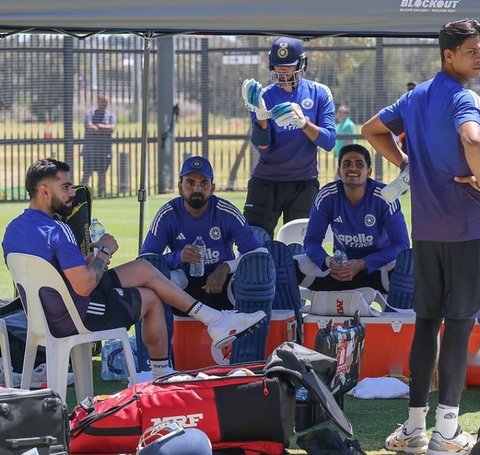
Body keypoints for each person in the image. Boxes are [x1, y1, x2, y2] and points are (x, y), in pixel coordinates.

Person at [2, 158, 266, 379]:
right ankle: (163, 371)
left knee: (143, 268)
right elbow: (84, 285)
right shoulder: (58, 230)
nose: (73, 193)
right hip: (76, 311)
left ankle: (213, 322)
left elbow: (56, 272)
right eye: (66, 187)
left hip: (45, 312)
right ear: (44, 192)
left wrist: (90, 260)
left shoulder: (13, 229)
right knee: (150, 299)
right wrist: (104, 253)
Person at [363, 19, 480, 454]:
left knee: (426, 324)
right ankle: (448, 432)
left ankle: (415, 428)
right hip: (467, 230)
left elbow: (371, 130)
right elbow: (473, 140)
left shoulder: (415, 95)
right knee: (458, 325)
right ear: (448, 55)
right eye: (473, 50)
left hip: (427, 232)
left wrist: (405, 163)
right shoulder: (464, 97)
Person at [140, 156, 270, 311]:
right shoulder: (168, 214)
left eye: (203, 183)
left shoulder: (226, 212)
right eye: (190, 183)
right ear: (180, 187)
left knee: (258, 269)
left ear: (212, 188)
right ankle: (162, 335)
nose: (197, 189)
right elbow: (145, 262)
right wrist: (178, 257)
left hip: (222, 284)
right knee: (148, 282)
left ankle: (251, 332)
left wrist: (224, 268)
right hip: (181, 285)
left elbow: (259, 253)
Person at [241, 36, 336, 240]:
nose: (283, 71)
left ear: (301, 64)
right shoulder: (263, 95)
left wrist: (304, 124)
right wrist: (261, 118)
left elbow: (329, 142)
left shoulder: (319, 93)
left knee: (299, 247)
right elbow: (263, 147)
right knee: (254, 243)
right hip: (266, 181)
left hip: (304, 182)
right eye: (278, 66)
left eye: (289, 66)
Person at [295, 144, 410, 295]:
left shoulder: (384, 197)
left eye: (359, 164)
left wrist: (362, 264)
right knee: (292, 265)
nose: (353, 168)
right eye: (347, 164)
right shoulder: (327, 196)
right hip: (341, 272)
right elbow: (311, 242)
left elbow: (402, 244)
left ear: (369, 172)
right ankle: (294, 316)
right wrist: (329, 262)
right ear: (339, 171)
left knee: (409, 267)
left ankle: (397, 315)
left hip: (378, 270)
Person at [81, 95, 116, 198]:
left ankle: (101, 194)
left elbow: (112, 128)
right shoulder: (90, 113)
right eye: (102, 102)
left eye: (106, 102)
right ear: (98, 102)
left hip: (104, 151)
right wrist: (104, 129)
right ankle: (81, 194)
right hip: (90, 151)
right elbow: (89, 126)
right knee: (87, 173)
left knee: (102, 174)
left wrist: (99, 126)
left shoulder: (110, 115)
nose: (104, 104)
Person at [397, 82, 418, 154]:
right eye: (409, 89)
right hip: (406, 137)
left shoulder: (422, 103)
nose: (411, 91)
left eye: (413, 89)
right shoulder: (404, 102)